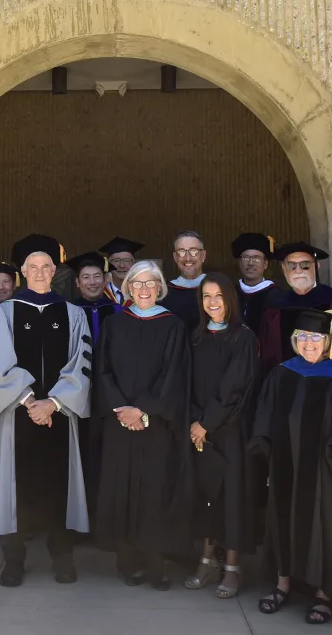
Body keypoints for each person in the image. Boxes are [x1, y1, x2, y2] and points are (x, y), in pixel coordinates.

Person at [0, 234, 92, 586]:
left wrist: (53, 403)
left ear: (54, 271)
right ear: (23, 273)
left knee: (59, 487)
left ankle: (62, 557)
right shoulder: (4, 312)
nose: (40, 273)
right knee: (17, 491)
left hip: (60, 413)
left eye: (46, 267)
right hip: (18, 414)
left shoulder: (73, 313)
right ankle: (14, 560)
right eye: (33, 268)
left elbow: (81, 363)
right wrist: (30, 401)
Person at [249, 309, 332, 624]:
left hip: (325, 472)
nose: (309, 343)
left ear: (328, 342)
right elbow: (266, 419)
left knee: (328, 530)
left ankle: (324, 595)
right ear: (294, 340)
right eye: (302, 337)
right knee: (283, 521)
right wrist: (272, 461)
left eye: (316, 337)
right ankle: (282, 584)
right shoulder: (282, 373)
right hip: (287, 466)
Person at [95, 260, 192, 590]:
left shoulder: (173, 326)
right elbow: (102, 370)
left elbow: (173, 374)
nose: (144, 289)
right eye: (138, 283)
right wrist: (122, 409)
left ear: (161, 287)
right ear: (128, 288)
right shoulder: (114, 323)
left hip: (156, 425)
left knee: (154, 492)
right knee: (121, 490)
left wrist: (144, 410)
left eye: (151, 283)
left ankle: (156, 564)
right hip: (119, 422)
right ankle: (127, 561)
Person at [184, 273, 258, 599]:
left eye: (219, 296)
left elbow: (234, 389)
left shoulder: (242, 338)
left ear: (231, 299)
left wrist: (206, 424)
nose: (212, 302)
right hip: (199, 429)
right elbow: (185, 384)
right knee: (205, 496)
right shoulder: (197, 337)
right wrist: (193, 422)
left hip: (229, 431)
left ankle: (232, 566)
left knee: (231, 497)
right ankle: (206, 560)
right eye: (206, 296)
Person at [68, 251, 124, 515]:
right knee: (78, 453)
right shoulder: (67, 313)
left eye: (97, 276)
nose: (92, 282)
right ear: (77, 282)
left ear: (105, 279)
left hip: (109, 394)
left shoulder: (118, 312)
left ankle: (105, 514)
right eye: (86, 277)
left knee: (108, 454)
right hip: (75, 394)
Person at [259, 241, 332, 369]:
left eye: (305, 265)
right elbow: (268, 355)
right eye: (291, 265)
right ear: (284, 269)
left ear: (316, 266)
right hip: (288, 382)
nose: (298, 270)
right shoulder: (275, 309)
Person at [231, 232, 276, 334]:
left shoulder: (276, 297)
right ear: (239, 263)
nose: (251, 263)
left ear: (265, 264)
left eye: (256, 258)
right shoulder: (230, 294)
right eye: (246, 258)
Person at [166, 230, 208, 329]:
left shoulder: (218, 289)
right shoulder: (165, 293)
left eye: (193, 251)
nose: (188, 258)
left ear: (203, 255)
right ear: (175, 257)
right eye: (181, 252)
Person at [99, 236, 143, 305]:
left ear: (133, 264)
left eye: (127, 261)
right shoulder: (99, 295)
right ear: (108, 265)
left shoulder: (144, 293)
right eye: (116, 261)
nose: (122, 265)